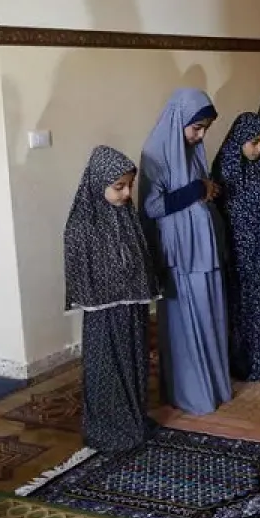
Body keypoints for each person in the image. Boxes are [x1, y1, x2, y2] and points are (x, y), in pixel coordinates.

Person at [140, 88, 232, 416]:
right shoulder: (155, 153)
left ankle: (213, 385)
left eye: (205, 128)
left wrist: (208, 190)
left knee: (210, 315)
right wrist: (197, 190)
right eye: (196, 128)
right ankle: (191, 393)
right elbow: (152, 206)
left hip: (203, 249)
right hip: (181, 254)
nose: (201, 135)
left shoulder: (191, 151)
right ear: (179, 120)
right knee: (186, 322)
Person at [63, 145, 159, 452]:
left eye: (129, 186)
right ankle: (108, 428)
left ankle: (133, 419)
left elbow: (138, 257)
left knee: (134, 362)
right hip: (104, 315)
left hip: (131, 309)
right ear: (97, 184)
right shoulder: (80, 227)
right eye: (118, 187)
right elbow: (82, 272)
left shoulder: (126, 215)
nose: (127, 194)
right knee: (108, 367)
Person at [213, 112, 260, 381]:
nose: (259, 149)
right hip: (242, 253)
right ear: (240, 140)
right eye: (254, 142)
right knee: (246, 306)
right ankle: (247, 363)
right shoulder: (228, 167)